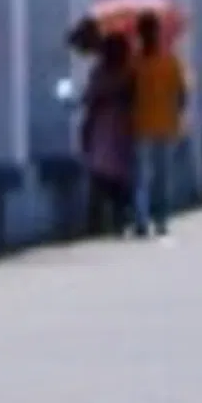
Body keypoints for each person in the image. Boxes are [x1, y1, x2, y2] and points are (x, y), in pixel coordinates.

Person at [74, 19, 140, 240]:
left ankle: (95, 222)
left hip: (103, 126)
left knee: (99, 175)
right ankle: (120, 219)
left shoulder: (101, 73)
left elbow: (90, 99)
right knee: (119, 175)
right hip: (123, 126)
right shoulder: (130, 72)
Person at [129, 8, 190, 235]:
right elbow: (182, 95)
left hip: (141, 124)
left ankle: (141, 219)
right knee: (162, 177)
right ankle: (161, 219)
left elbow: (129, 92)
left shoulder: (135, 62)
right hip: (165, 124)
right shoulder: (170, 61)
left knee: (142, 177)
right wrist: (176, 112)